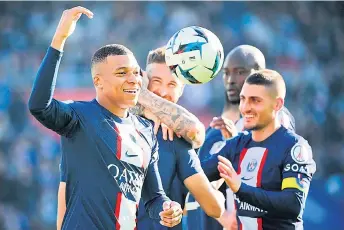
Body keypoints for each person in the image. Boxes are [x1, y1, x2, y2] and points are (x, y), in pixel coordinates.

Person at [28, 7, 183, 230]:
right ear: (98, 81)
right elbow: (39, 106)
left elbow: (154, 198)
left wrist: (168, 208)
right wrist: (59, 40)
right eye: (122, 73)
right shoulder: (79, 118)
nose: (133, 79)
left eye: (136, 72)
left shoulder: (146, 131)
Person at [185, 45, 296, 230]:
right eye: (226, 73)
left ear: (259, 74)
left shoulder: (276, 119)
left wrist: (238, 145)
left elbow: (268, 170)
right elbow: (202, 182)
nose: (231, 80)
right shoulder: (215, 130)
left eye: (240, 72)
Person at [202, 69, 316, 230]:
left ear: (277, 104)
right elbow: (196, 175)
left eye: (255, 101)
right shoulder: (236, 145)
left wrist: (240, 188)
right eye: (243, 99)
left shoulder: (294, 146)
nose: (245, 108)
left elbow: (293, 204)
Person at [137, 47, 226, 229]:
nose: (162, 92)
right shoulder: (118, 124)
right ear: (144, 80)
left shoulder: (177, 139)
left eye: (171, 84)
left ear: (182, 89)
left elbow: (214, 207)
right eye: (156, 81)